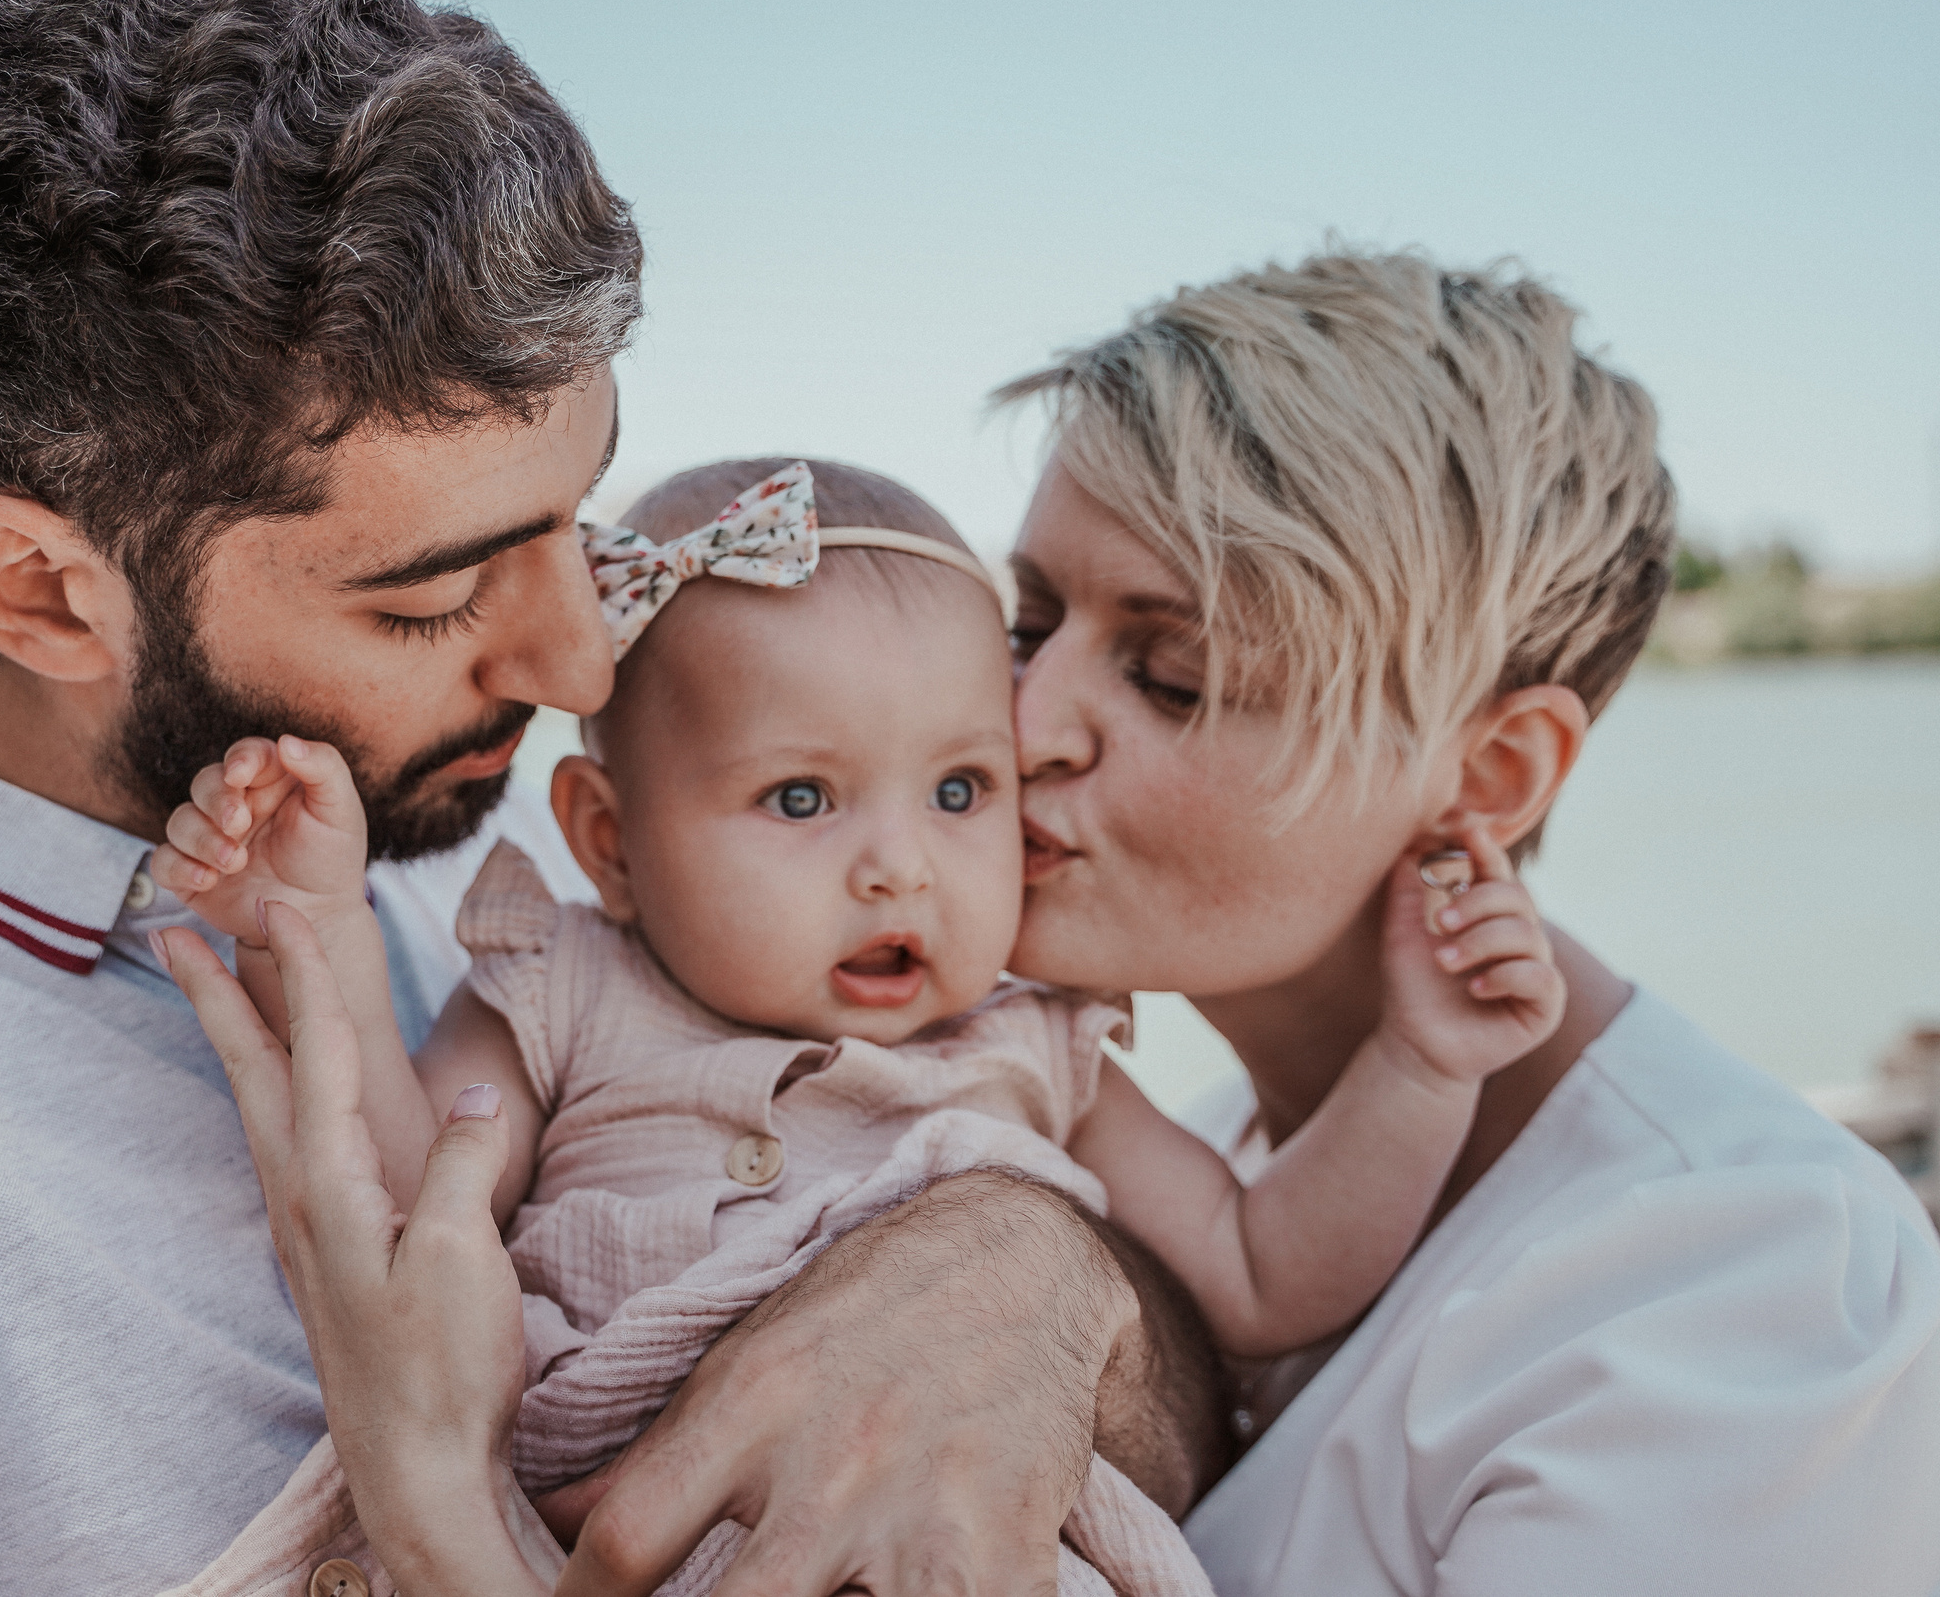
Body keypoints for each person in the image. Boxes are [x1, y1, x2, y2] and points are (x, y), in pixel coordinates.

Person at [0, 0, 1194, 1594]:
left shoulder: (480, 899)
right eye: (431, 598)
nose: (582, 653)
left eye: (581, 524)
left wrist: (1014, 1273)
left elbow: (1182, 1350)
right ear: (37, 592)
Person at [146, 453, 1567, 1580]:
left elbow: (1267, 1275)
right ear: (610, 841)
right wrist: (317, 928)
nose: (900, 863)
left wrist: (1424, 1064)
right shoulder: (560, 993)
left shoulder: (1035, 1039)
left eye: (960, 791)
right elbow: (408, 1211)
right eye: (802, 799)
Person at [999, 252, 1940, 1592]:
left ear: (1490, 774)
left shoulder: (1748, 1289)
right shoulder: (1187, 1155)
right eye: (1030, 622)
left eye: (1174, 677)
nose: (1025, 726)